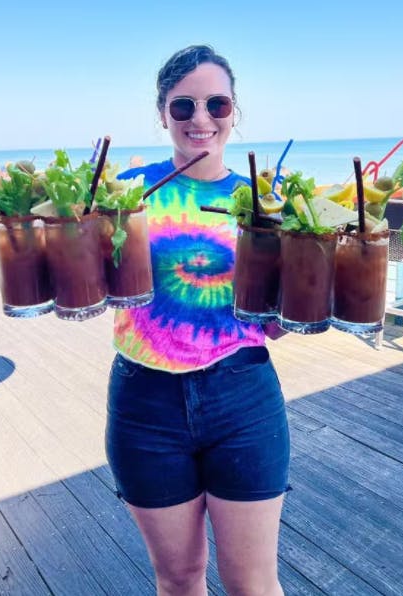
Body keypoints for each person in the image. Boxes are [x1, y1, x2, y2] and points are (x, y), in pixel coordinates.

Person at [106, 45, 289, 595]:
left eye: (217, 104)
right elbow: (95, 280)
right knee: (180, 579)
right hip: (146, 402)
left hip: (242, 395)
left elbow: (273, 321)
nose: (201, 119)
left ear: (235, 111)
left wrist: (308, 302)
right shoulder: (128, 191)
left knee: (252, 583)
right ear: (162, 113)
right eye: (183, 106)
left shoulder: (263, 202)